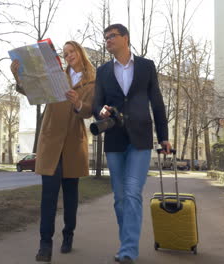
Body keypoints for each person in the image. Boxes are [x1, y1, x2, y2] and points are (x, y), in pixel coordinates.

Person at [92, 24, 172, 264]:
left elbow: (157, 103)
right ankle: (125, 243)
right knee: (119, 198)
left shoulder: (147, 66)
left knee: (132, 193)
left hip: (140, 138)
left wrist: (164, 135)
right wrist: (101, 110)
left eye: (112, 36)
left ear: (125, 38)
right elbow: (97, 104)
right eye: (105, 38)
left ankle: (127, 251)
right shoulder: (103, 71)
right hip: (115, 138)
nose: (107, 41)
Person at [10, 40, 96, 262]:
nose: (68, 56)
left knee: (70, 197)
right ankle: (45, 245)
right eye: (65, 53)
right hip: (50, 141)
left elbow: (89, 112)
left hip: (73, 145)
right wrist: (18, 77)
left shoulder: (93, 82)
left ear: (79, 52)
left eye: (71, 51)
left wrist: (78, 103)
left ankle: (68, 235)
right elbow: (33, 91)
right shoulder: (55, 75)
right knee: (48, 197)